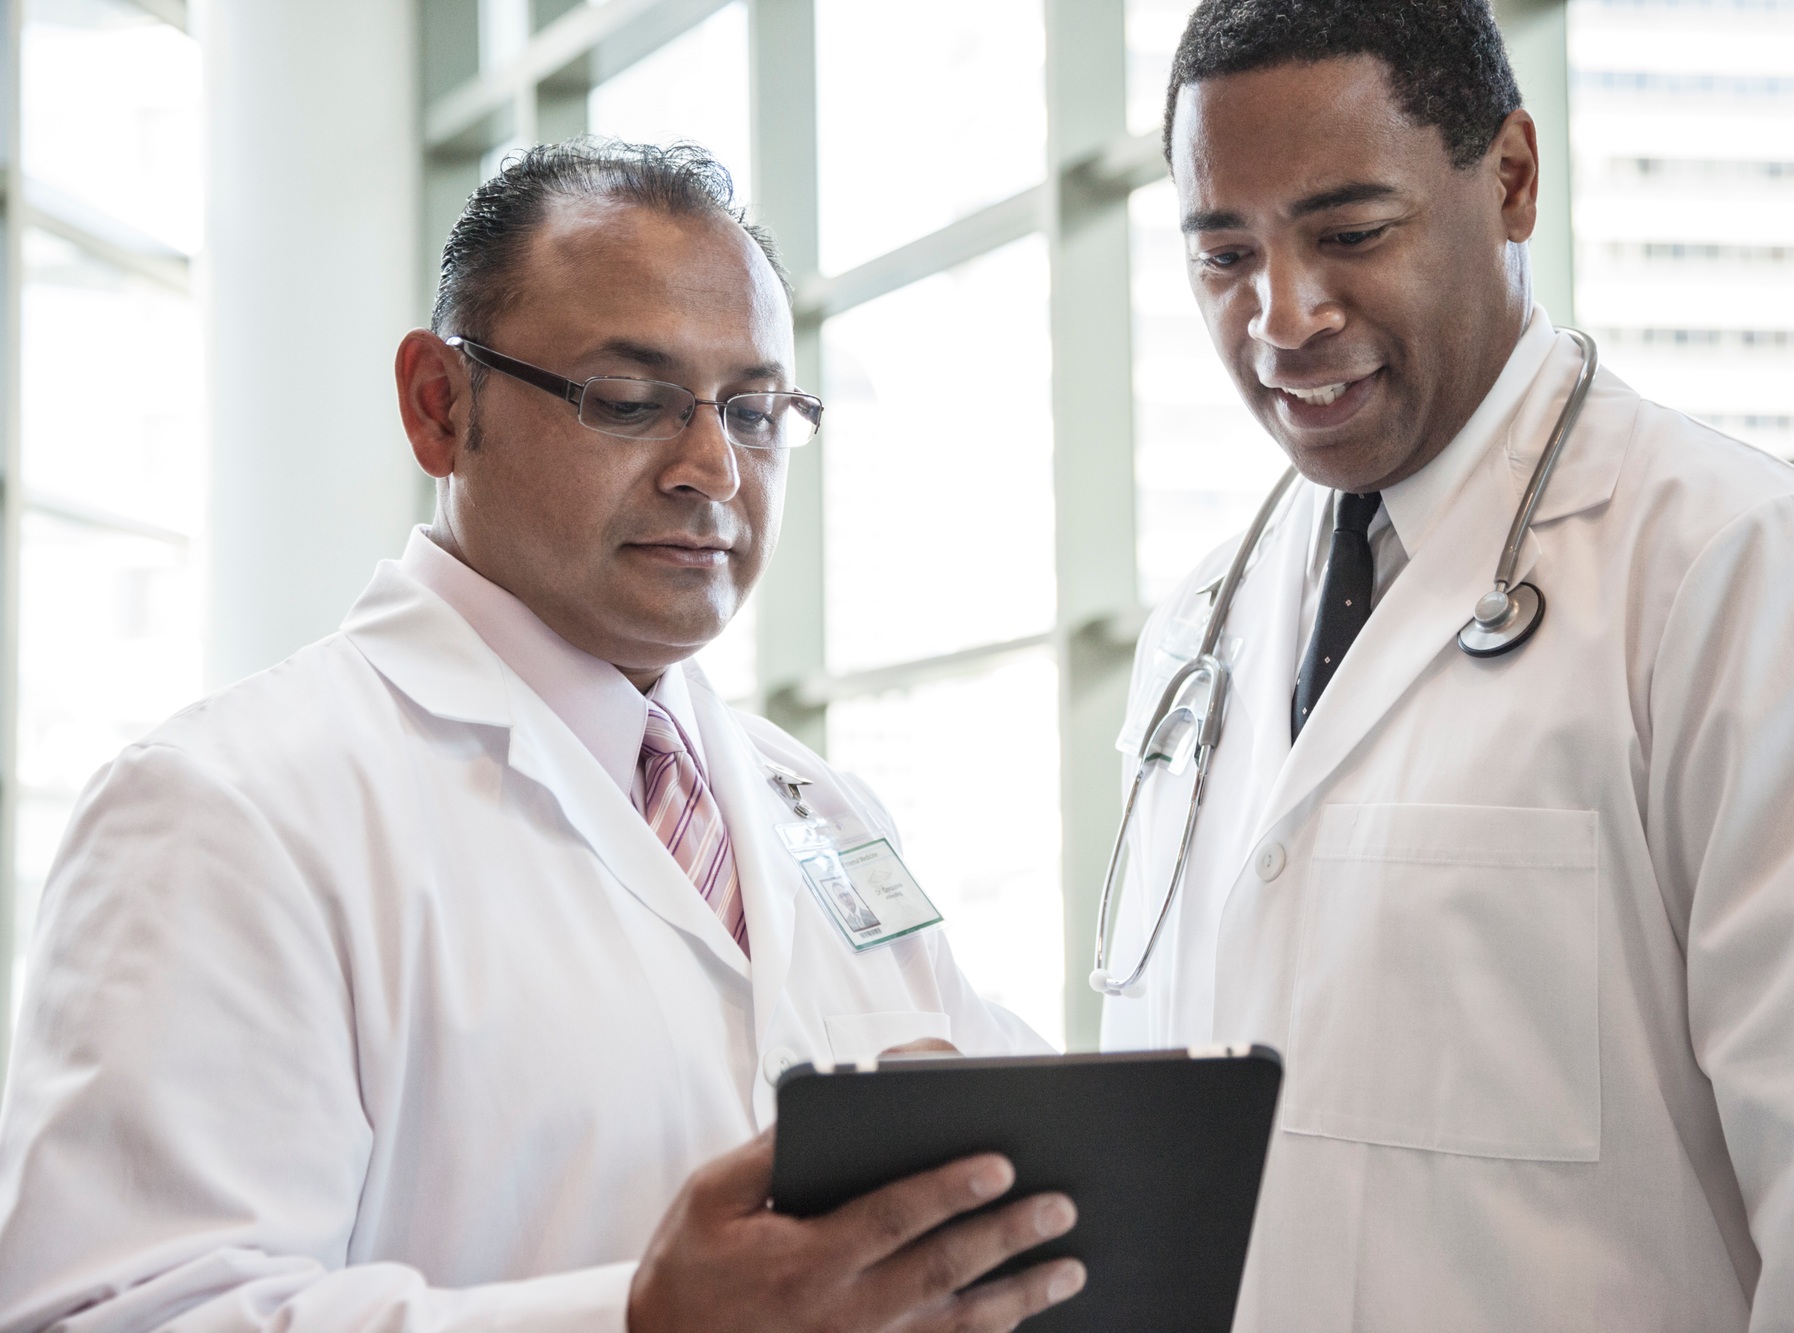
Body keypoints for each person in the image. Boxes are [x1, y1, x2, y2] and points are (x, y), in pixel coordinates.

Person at [0, 140, 1085, 1333]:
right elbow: (120, 1315)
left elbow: (1030, 1164)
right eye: (629, 401)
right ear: (439, 405)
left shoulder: (814, 804)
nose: (712, 467)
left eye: (757, 411)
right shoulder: (225, 811)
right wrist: (634, 1320)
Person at [1098, 2, 1794, 1328]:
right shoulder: (1203, 624)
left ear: (1512, 178)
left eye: (1350, 233)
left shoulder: (1738, 568)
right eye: (1224, 253)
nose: (1279, 315)